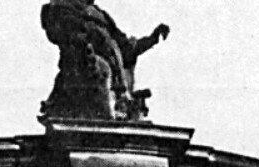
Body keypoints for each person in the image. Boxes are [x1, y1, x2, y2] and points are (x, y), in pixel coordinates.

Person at [39, 0, 168, 120]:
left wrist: (152, 39)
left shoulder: (101, 16)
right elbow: (65, 35)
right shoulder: (62, 7)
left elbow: (127, 49)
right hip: (84, 74)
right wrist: (86, 45)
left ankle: (119, 104)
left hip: (114, 80)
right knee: (102, 71)